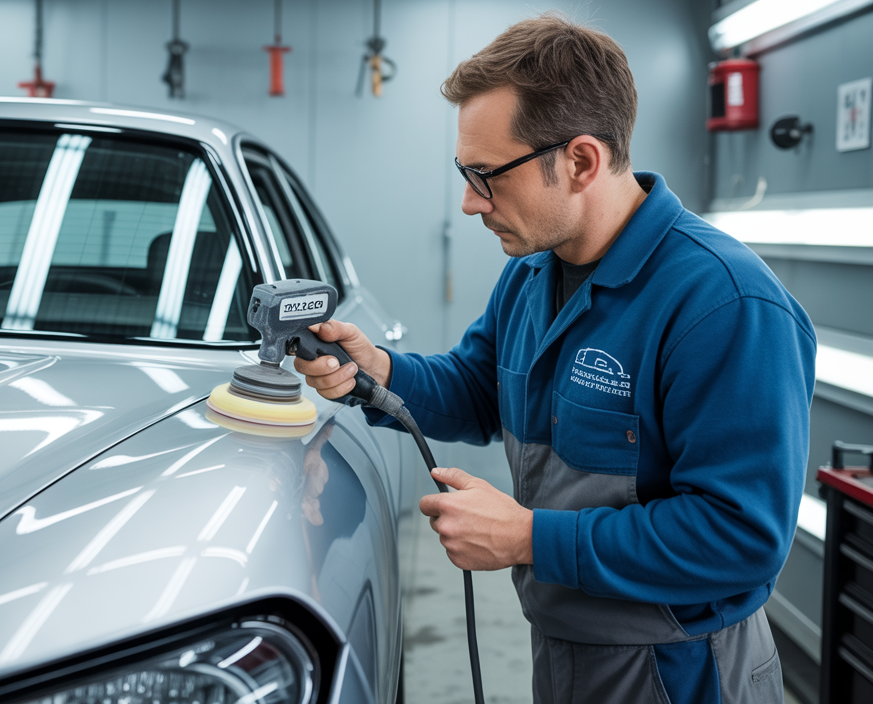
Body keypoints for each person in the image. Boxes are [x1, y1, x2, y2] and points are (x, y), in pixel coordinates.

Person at [294, 13, 815, 704]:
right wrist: (380, 373)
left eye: (486, 175)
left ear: (581, 162)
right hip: (567, 649)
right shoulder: (535, 271)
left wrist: (532, 538)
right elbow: (482, 389)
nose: (470, 201)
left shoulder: (724, 305)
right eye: (463, 172)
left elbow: (740, 537)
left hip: (683, 669)